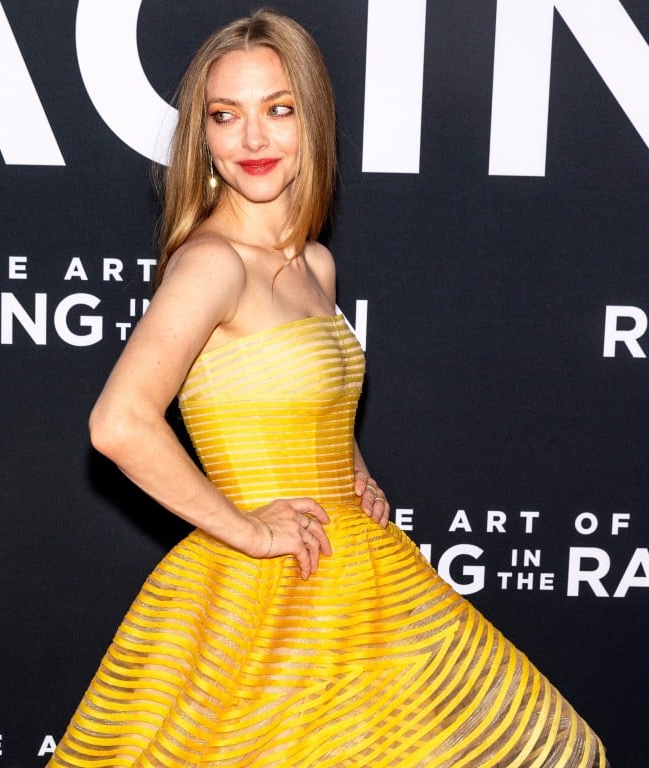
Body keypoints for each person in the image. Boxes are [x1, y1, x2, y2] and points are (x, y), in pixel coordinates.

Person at [48, 9, 607, 768]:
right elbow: (119, 422)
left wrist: (353, 470)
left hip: (351, 575)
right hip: (264, 593)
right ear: (202, 137)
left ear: (311, 120)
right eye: (225, 116)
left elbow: (298, 394)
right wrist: (246, 529)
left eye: (277, 110)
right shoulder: (212, 264)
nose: (252, 140)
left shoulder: (313, 263)